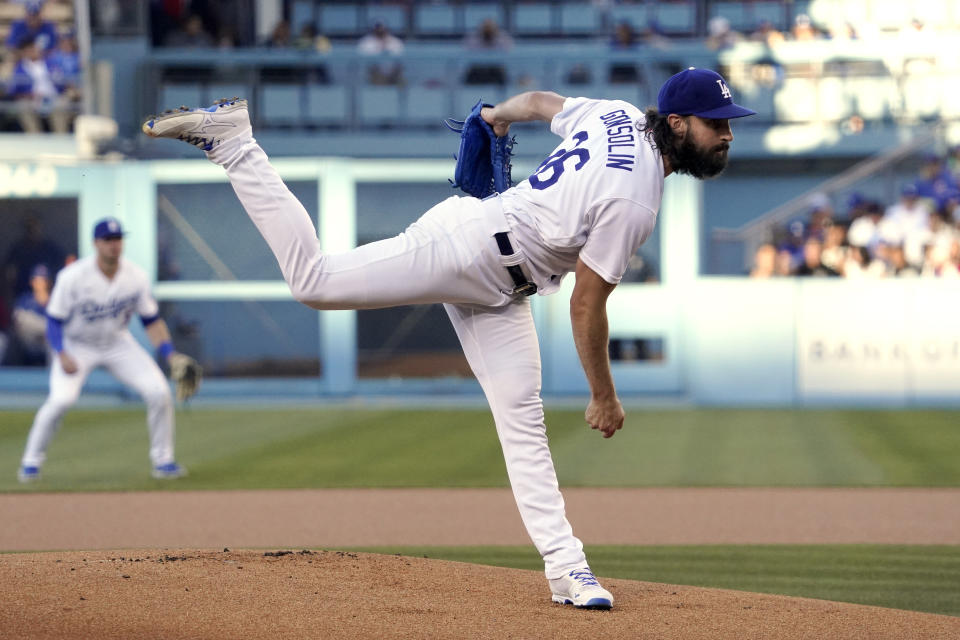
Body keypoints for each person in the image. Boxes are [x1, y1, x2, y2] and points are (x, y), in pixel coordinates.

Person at [142, 67, 756, 610]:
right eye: (716, 123)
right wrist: (604, 394)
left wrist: (493, 115)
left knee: (523, 421)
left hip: (503, 287)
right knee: (315, 280)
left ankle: (567, 568)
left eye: (728, 123)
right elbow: (587, 302)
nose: (726, 134)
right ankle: (236, 145)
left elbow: (542, 102)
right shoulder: (636, 199)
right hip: (467, 247)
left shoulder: (617, 115)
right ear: (676, 122)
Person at [18, 218, 191, 483]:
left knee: (158, 392)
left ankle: (163, 461)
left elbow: (151, 320)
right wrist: (61, 353)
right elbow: (54, 320)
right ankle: (30, 463)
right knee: (61, 401)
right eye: (108, 240)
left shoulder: (135, 276)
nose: (114, 245)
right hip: (76, 345)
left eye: (118, 239)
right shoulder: (73, 276)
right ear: (95, 244)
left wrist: (170, 353)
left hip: (117, 343)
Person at [12, 263, 52, 365]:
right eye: (37, 280)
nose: (40, 283)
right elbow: (18, 320)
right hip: (28, 340)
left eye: (43, 280)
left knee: (54, 339)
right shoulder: (25, 299)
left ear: (48, 282)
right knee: (22, 319)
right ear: (32, 282)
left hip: (47, 342)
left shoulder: (55, 300)